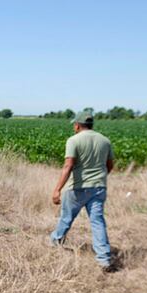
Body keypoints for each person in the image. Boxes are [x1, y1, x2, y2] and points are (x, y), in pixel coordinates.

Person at [50, 110, 115, 272]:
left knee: (66, 218)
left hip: (77, 188)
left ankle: (55, 242)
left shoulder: (73, 140)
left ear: (77, 125)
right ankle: (104, 259)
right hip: (99, 187)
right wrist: (99, 178)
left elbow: (68, 165)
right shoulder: (105, 140)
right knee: (97, 222)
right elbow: (109, 165)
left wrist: (57, 189)